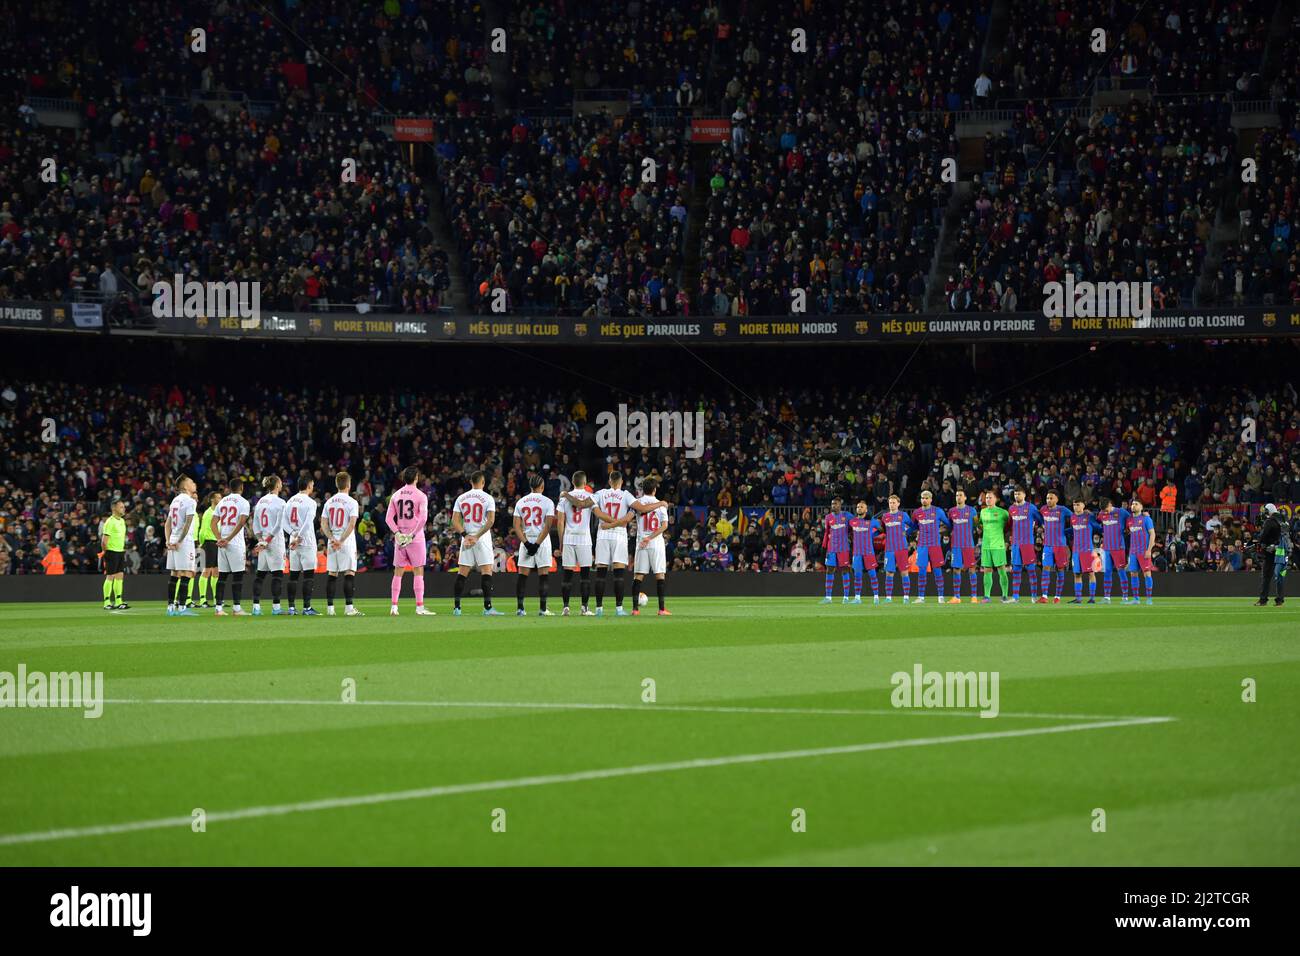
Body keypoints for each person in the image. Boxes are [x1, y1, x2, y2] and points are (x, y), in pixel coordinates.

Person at [453, 470, 503, 615]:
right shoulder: (488, 498)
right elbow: (491, 521)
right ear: (483, 482)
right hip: (482, 538)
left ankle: (457, 608)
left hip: (466, 538)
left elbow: (455, 521)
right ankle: (487, 608)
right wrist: (477, 536)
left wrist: (466, 535)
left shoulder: (461, 498)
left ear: (471, 482)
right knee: (486, 572)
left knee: (462, 573)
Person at [384, 466, 431, 616]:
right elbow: (423, 518)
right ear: (416, 478)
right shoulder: (421, 495)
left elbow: (388, 519)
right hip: (415, 538)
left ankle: (394, 607)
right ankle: (419, 607)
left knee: (398, 572)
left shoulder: (396, 495)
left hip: (400, 538)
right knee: (418, 571)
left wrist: (397, 533)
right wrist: (412, 534)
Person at [513, 472, 556, 616]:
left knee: (522, 576)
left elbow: (516, 526)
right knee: (543, 575)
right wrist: (537, 544)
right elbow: (548, 526)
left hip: (526, 539)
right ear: (542, 486)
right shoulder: (548, 502)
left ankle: (520, 608)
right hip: (542, 541)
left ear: (530, 486)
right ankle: (543, 610)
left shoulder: (521, 502)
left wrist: (526, 544)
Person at [323, 471, 363, 616]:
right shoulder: (352, 502)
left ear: (336, 484)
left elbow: (323, 523)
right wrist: (341, 540)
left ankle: (330, 609)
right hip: (346, 541)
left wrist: (332, 538)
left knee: (332, 573)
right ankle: (349, 608)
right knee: (349, 572)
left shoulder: (329, 502)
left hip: (332, 541)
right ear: (348, 484)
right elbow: (352, 525)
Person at [212, 479, 251, 615]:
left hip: (222, 544)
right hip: (235, 543)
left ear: (230, 488)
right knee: (238, 576)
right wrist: (228, 539)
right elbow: (241, 523)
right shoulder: (244, 502)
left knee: (222, 576)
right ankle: (236, 608)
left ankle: (218, 609)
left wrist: (220, 539)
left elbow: (213, 523)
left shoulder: (222, 501)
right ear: (241, 487)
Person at [250, 475, 287, 615]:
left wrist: (261, 540)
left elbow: (255, 524)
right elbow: (279, 525)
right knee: (277, 575)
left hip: (263, 542)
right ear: (277, 485)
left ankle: (256, 607)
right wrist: (267, 541)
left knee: (260, 575)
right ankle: (276, 608)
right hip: (274, 542)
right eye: (281, 482)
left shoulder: (260, 502)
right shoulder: (281, 502)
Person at [165, 475, 200, 616]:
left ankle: (170, 607)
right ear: (185, 486)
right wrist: (180, 540)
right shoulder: (190, 501)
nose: (194, 483)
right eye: (191, 481)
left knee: (174, 574)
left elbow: (167, 523)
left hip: (172, 539)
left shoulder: (175, 500)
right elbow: (188, 523)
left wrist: (168, 540)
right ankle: (182, 607)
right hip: (183, 542)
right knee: (186, 573)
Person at [1255, 503, 1287, 606]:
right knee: (1280, 576)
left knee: (1266, 577)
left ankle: (1263, 600)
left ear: (1268, 511)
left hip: (1271, 552)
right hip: (1283, 552)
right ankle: (1280, 600)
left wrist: (1260, 540)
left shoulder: (1270, 521)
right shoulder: (1284, 521)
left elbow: (1263, 537)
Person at [100, 499, 128, 609]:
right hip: (111, 552)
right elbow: (104, 541)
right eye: (121, 507)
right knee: (110, 576)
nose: (123, 508)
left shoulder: (122, 521)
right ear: (114, 508)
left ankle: (118, 601)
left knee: (120, 576)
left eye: (123, 506)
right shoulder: (109, 522)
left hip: (120, 551)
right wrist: (105, 552)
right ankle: (107, 602)